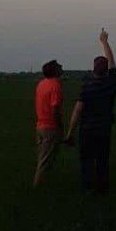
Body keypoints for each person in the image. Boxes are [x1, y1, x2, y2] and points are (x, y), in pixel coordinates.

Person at [64, 30, 116, 194]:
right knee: (102, 160)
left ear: (93, 70)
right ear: (106, 70)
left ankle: (87, 189)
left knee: (86, 161)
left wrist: (70, 133)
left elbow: (77, 111)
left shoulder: (87, 86)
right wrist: (104, 42)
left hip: (87, 130)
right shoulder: (112, 83)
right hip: (104, 129)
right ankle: (102, 189)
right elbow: (112, 62)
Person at [33, 59, 65, 187]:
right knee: (45, 161)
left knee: (44, 158)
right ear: (55, 71)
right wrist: (60, 127)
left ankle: (43, 186)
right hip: (50, 128)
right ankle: (38, 188)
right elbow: (55, 108)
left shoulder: (42, 84)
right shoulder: (55, 85)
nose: (61, 66)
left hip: (40, 126)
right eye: (58, 66)